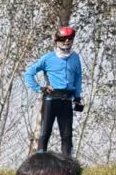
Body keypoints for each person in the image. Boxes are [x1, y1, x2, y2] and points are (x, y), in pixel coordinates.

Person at [24, 26, 84, 155]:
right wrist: (40, 88)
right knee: (45, 132)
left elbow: (78, 78)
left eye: (70, 38)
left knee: (67, 135)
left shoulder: (75, 58)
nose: (67, 41)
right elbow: (28, 74)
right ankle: (40, 160)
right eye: (63, 39)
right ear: (56, 40)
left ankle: (67, 161)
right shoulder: (48, 58)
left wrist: (77, 97)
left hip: (67, 99)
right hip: (51, 99)